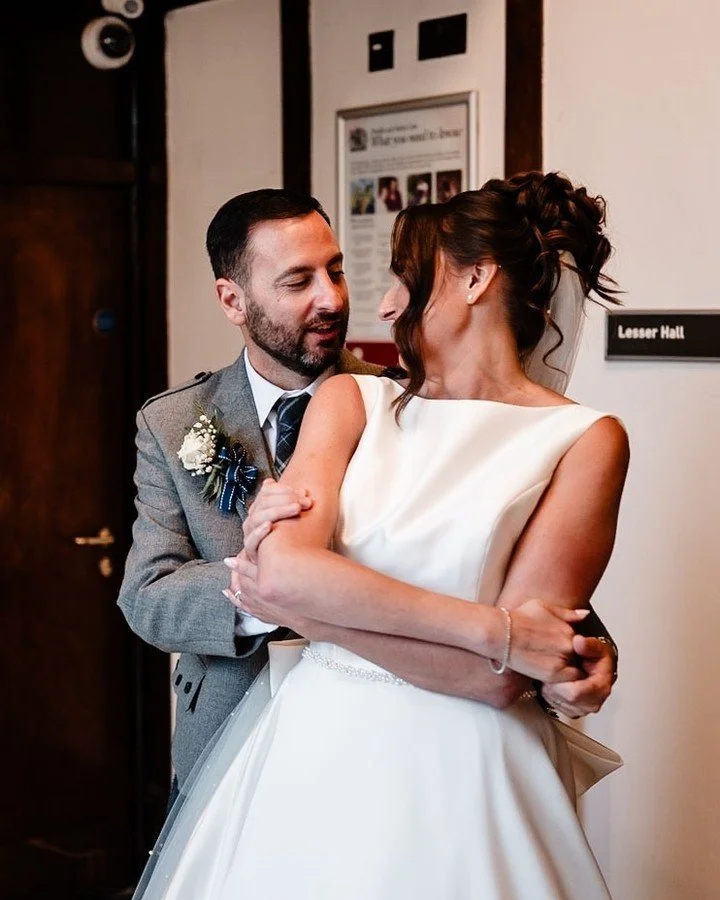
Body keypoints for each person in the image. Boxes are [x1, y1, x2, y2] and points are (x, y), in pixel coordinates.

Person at [132, 172, 629, 899]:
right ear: (233, 300)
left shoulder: (373, 393)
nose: (337, 299)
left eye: (336, 271)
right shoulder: (177, 425)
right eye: (299, 280)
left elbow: (521, 594)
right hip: (261, 747)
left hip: (457, 755)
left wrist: (576, 650)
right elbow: (148, 596)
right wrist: (261, 591)